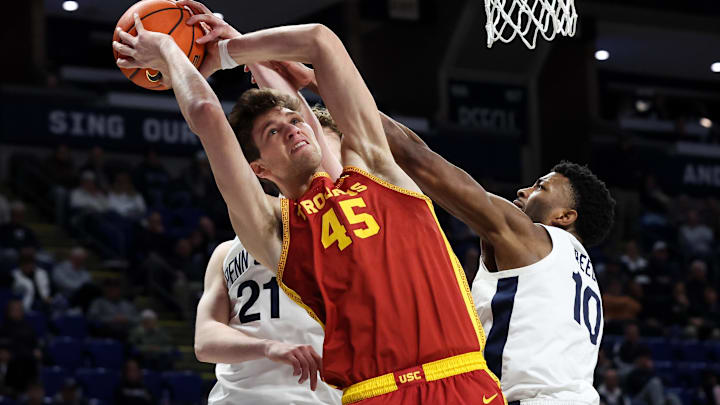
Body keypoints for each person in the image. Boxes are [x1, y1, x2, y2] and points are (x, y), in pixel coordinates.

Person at [114, 5, 503, 405]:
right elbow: (206, 114)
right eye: (273, 131)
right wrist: (166, 49)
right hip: (377, 392)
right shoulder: (273, 230)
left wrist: (232, 50)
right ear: (259, 168)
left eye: (293, 120)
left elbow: (319, 39)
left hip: (463, 378)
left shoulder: (376, 169)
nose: (292, 129)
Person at [380, 112, 615, 404]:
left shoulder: (533, 240)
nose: (524, 190)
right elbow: (421, 152)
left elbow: (421, 162)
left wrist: (335, 89)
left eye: (540, 187)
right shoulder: (582, 274)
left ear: (564, 216)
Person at [188, 7, 342, 403]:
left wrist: (233, 50)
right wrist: (268, 348)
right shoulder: (228, 250)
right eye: (281, 131)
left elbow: (293, 100)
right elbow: (205, 340)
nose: (296, 135)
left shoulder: (345, 225)